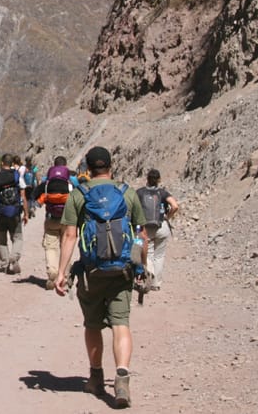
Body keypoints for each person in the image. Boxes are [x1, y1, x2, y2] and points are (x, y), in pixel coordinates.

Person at [55, 146, 148, 408]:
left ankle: (96, 377)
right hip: (123, 270)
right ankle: (122, 377)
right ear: (111, 166)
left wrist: (61, 272)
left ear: (87, 167)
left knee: (93, 324)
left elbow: (70, 235)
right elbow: (141, 235)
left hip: (91, 272)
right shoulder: (127, 193)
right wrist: (142, 268)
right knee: (121, 322)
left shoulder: (79, 195)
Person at [135, 169, 180, 291]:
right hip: (161, 226)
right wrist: (167, 217)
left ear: (147, 179)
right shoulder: (163, 193)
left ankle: (148, 274)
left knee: (147, 252)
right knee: (159, 255)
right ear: (159, 180)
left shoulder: (139, 192)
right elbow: (175, 206)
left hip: (144, 227)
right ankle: (156, 284)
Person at [0, 153, 28, 275]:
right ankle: (13, 257)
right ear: (12, 164)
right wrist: (26, 213)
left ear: (2, 163)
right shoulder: (17, 177)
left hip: (0, 213)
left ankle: (5, 264)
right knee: (18, 238)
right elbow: (23, 197)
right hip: (14, 212)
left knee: (1, 239)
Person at [39, 155, 72, 290]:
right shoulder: (70, 184)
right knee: (66, 245)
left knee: (51, 247)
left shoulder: (47, 184)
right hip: (67, 219)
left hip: (51, 218)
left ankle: (52, 275)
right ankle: (65, 275)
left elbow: (36, 196)